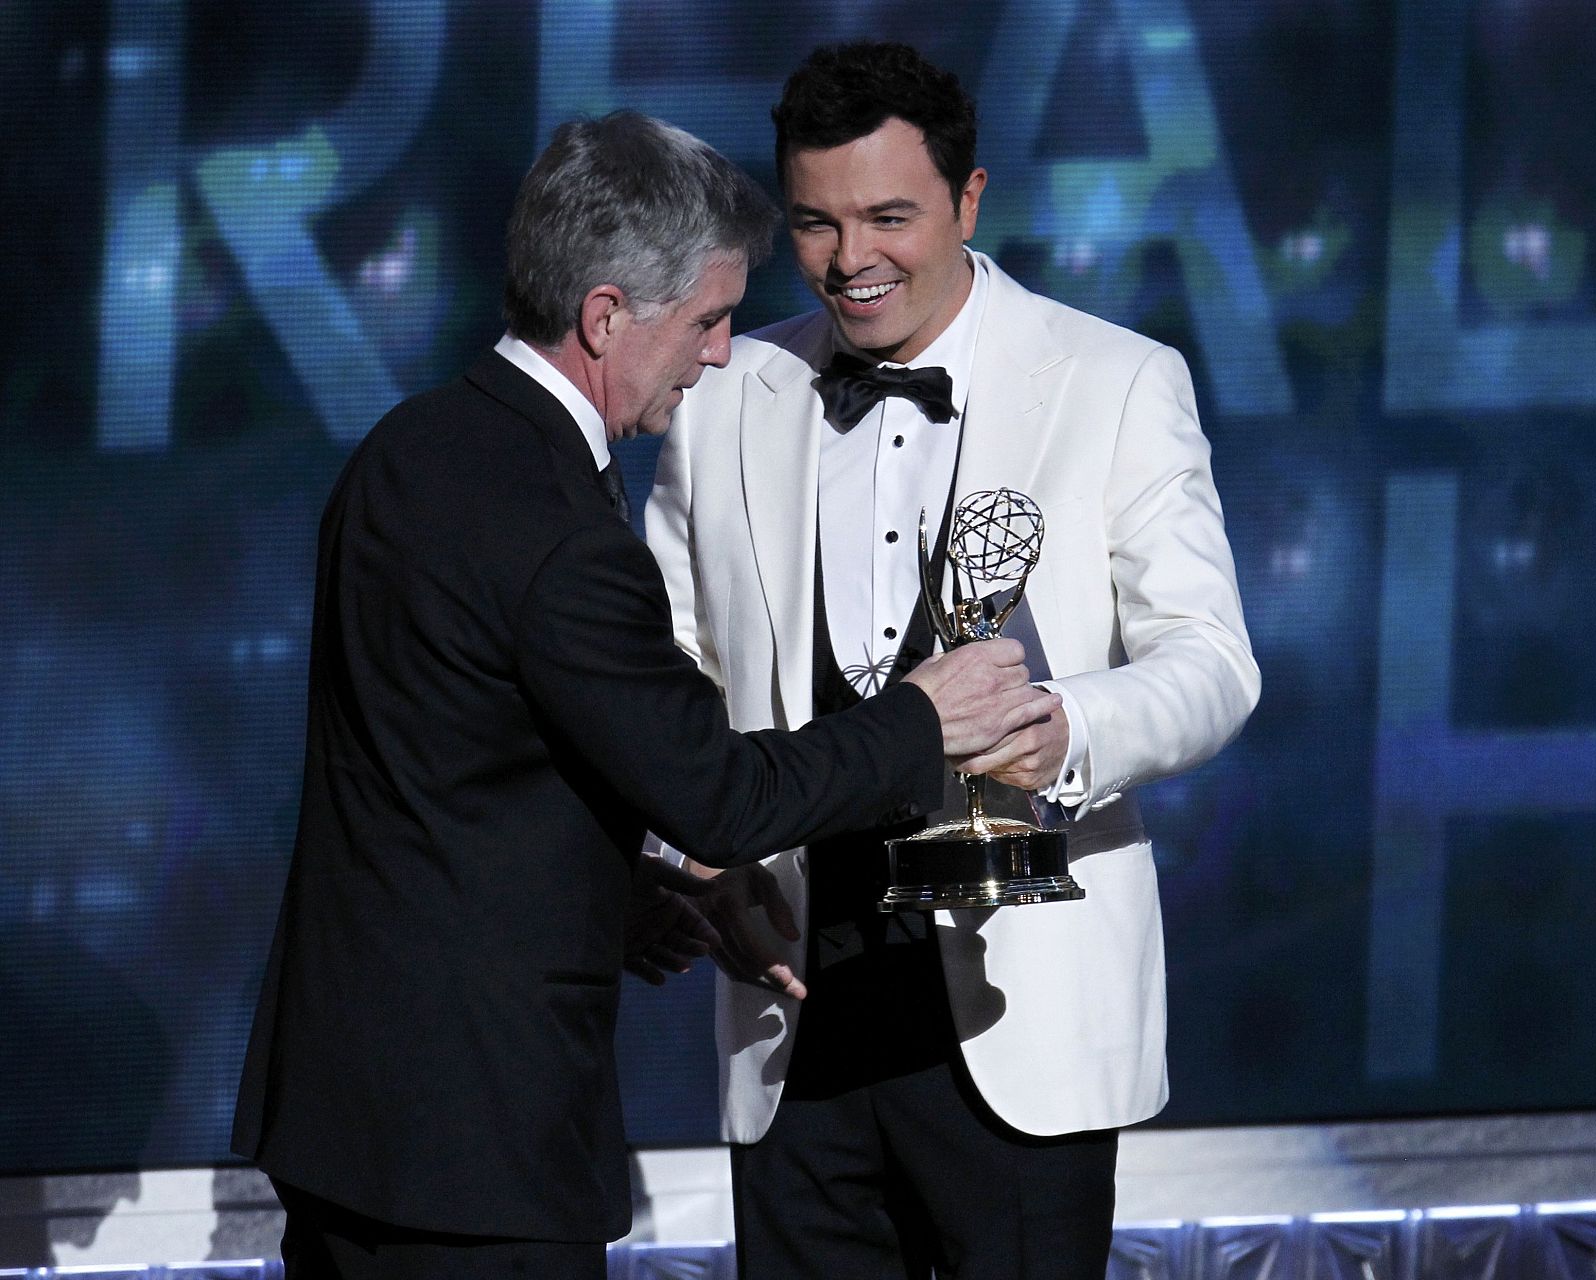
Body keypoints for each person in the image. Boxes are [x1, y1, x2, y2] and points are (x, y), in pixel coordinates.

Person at [231, 110, 1058, 1280]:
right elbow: (720, 793)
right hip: (475, 1147)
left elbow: (443, 762)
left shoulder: (406, 449)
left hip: (345, 1114)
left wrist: (617, 888)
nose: (719, 354)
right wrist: (926, 715)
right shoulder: (564, 530)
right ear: (607, 314)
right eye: (709, 318)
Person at [645, 43, 1261, 1280]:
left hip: (1020, 1015)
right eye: (815, 223)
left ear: (969, 200)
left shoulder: (1115, 379)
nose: (850, 257)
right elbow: (663, 662)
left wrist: (1064, 728)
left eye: (889, 216)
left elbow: (1208, 661)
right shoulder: (724, 391)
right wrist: (681, 849)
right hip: (793, 1008)